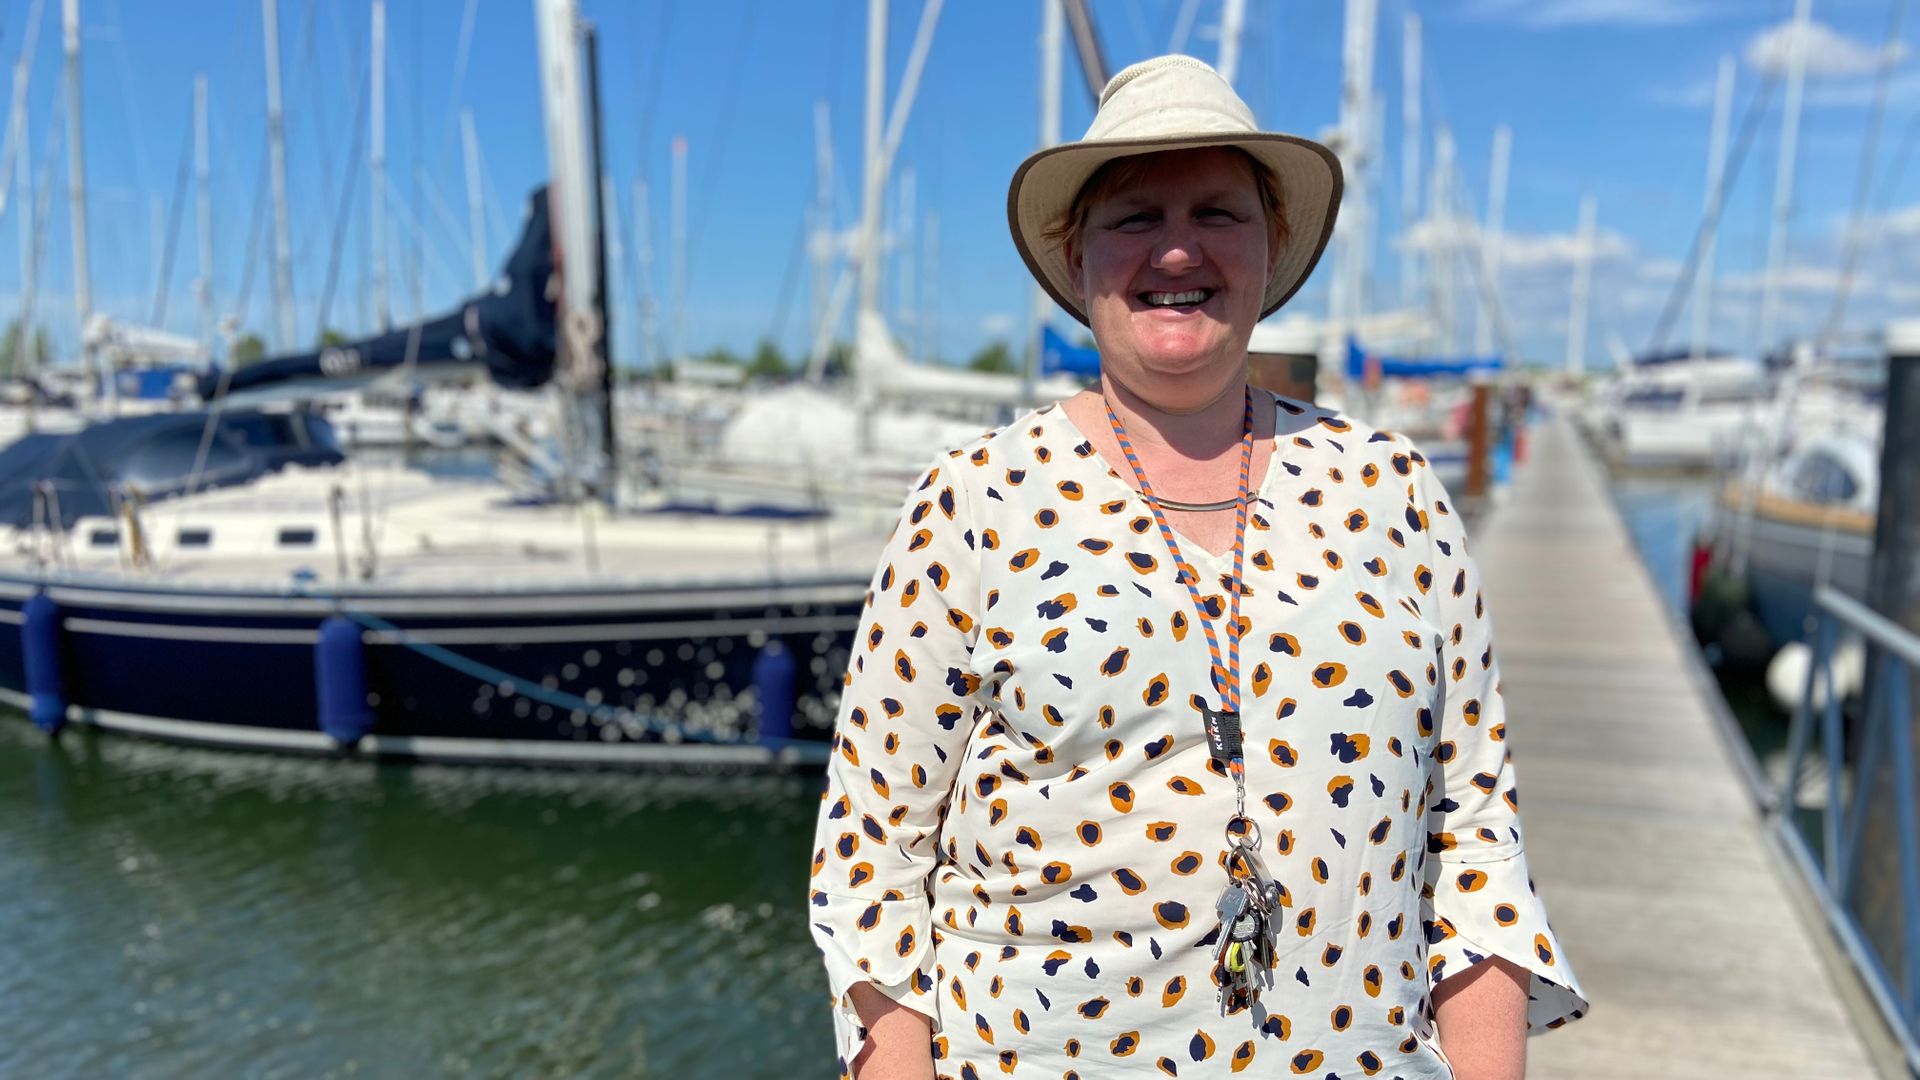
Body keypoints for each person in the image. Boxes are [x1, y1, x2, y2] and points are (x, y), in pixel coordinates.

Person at [807, 55, 1586, 1080]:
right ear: (1075, 251)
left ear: (1273, 244)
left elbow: (1475, 839)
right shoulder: (973, 499)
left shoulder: (1395, 491)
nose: (1178, 247)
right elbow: (873, 860)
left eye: (1218, 210)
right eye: (1135, 216)